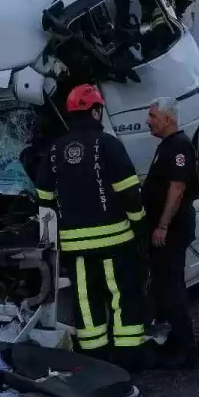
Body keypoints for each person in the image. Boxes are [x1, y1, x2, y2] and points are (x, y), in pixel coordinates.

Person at [33, 84, 149, 368]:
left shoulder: (54, 150)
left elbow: (44, 200)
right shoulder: (108, 144)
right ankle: (129, 357)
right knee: (121, 296)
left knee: (86, 299)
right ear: (96, 111)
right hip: (115, 240)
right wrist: (141, 228)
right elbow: (130, 193)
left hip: (75, 245)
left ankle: (95, 360)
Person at [142, 96, 199, 368]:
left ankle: (186, 346)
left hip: (172, 230)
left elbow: (176, 191)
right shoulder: (167, 146)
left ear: (168, 119)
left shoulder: (179, 146)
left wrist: (162, 226)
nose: (147, 121)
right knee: (166, 285)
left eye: (152, 116)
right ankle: (176, 339)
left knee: (171, 285)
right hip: (165, 228)